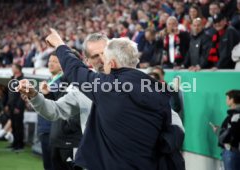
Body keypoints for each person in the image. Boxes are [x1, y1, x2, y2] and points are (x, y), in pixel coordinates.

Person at [19, 29, 173, 170]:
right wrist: (35, 96)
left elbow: (172, 120)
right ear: (87, 61)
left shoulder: (139, 83)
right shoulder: (83, 87)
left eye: (104, 53)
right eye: (95, 56)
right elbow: (55, 111)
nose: (101, 59)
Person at [38, 54, 82, 170]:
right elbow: (56, 105)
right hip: (56, 136)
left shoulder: (81, 83)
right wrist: (45, 94)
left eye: (57, 61)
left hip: (69, 139)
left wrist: (69, 127)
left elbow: (74, 111)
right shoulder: (63, 81)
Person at [214, 90, 240, 170]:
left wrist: (219, 131)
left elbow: (231, 134)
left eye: (227, 98)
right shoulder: (233, 115)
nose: (226, 100)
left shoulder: (236, 116)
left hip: (232, 152)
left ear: (232, 100)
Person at [6, 64, 26, 151]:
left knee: (18, 126)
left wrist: (18, 107)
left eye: (13, 67)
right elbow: (9, 93)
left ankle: (20, 144)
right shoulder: (12, 78)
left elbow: (23, 94)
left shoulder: (23, 80)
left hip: (18, 107)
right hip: (11, 106)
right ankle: (15, 143)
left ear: (18, 69)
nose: (12, 69)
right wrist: (8, 104)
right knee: (13, 126)